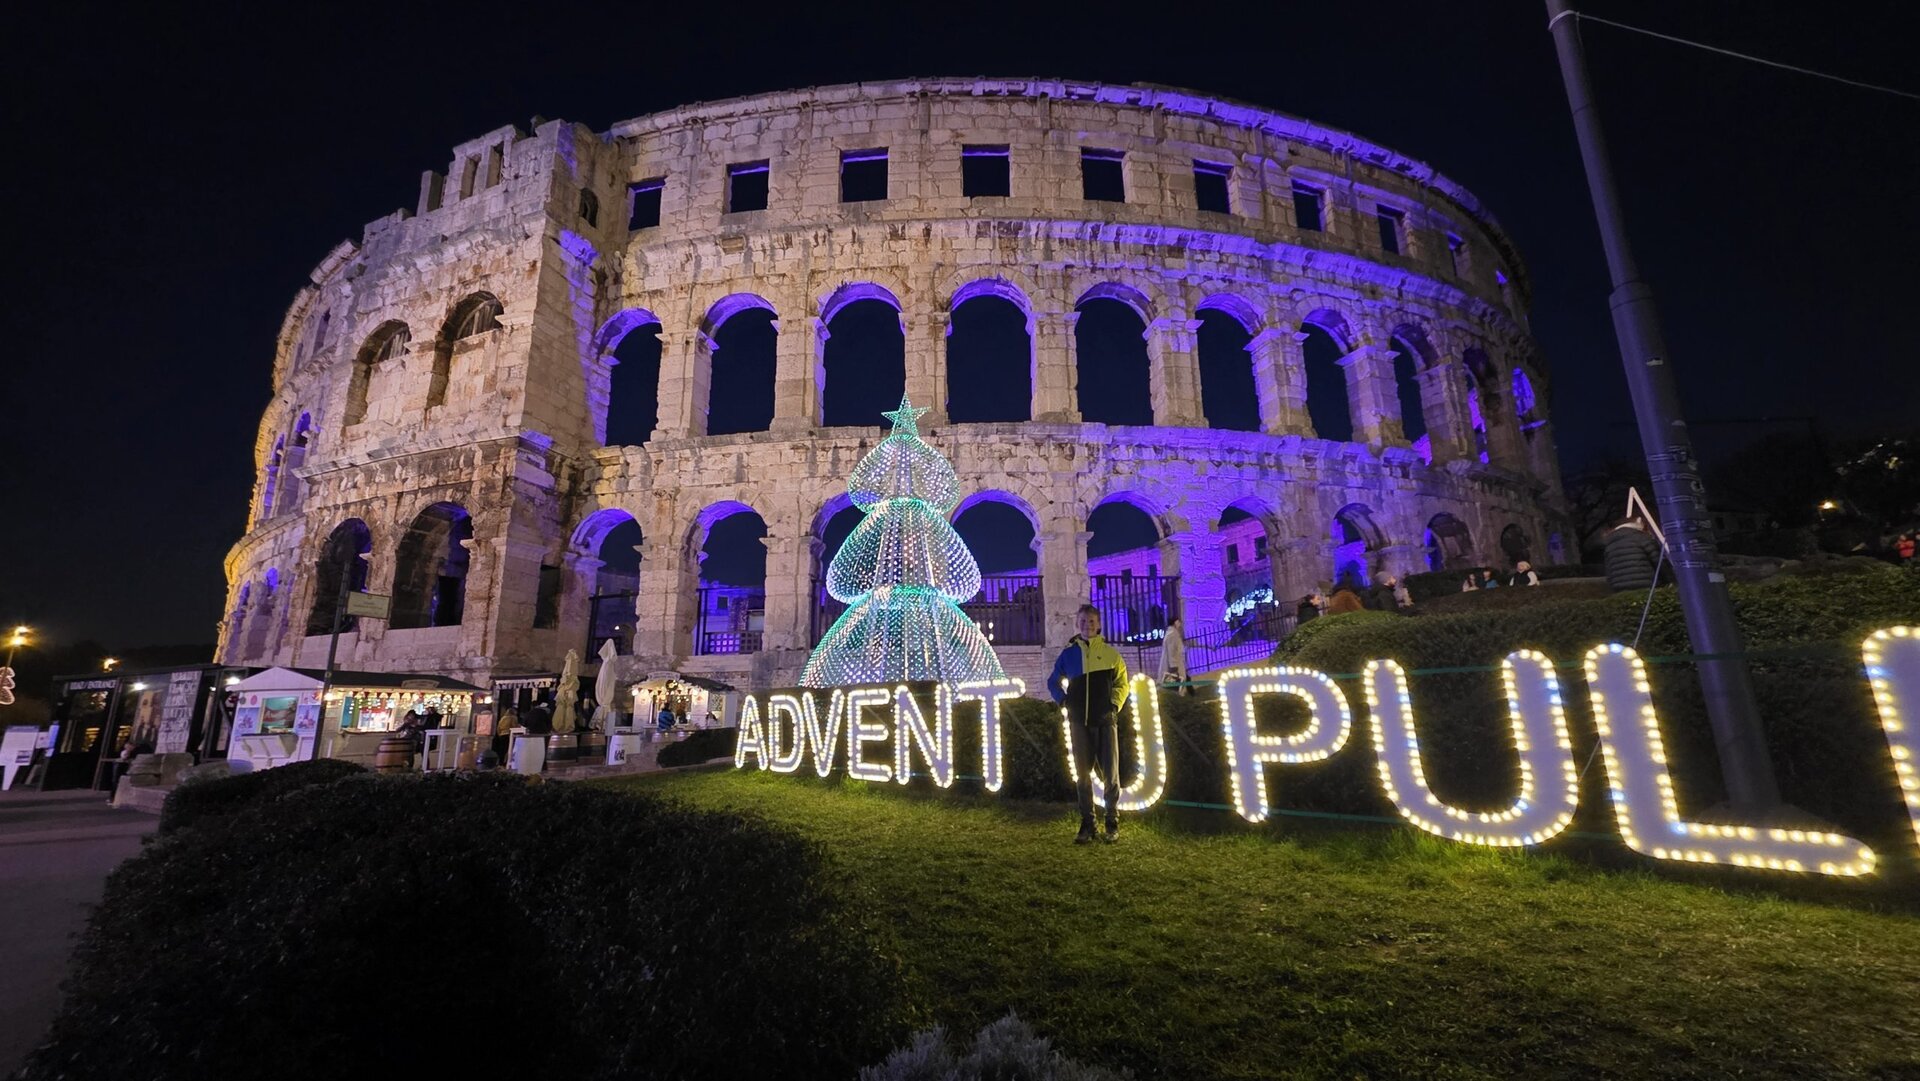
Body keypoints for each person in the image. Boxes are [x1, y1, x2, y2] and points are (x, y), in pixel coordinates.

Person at [1048, 604, 1128, 845]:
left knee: (1111, 776)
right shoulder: (1068, 654)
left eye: (1091, 621)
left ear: (1099, 624)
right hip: (1078, 723)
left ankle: (1111, 822)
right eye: (1083, 621)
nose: (1087, 625)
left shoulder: (1112, 655)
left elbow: (1122, 683)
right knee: (1082, 776)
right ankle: (1088, 823)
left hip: (1105, 721)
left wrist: (1114, 706)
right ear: (1078, 624)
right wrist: (1064, 701)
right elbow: (1053, 681)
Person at [1603, 517, 1663, 593]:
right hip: (1647, 585)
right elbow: (1658, 562)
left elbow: (1609, 571)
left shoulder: (1609, 544)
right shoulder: (1642, 537)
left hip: (1620, 589)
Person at [1156, 617, 1187, 695]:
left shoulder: (1171, 633)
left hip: (1175, 661)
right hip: (1174, 663)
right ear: (1175, 622)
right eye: (1179, 622)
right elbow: (1172, 651)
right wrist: (1174, 665)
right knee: (1175, 683)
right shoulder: (1172, 634)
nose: (1180, 624)